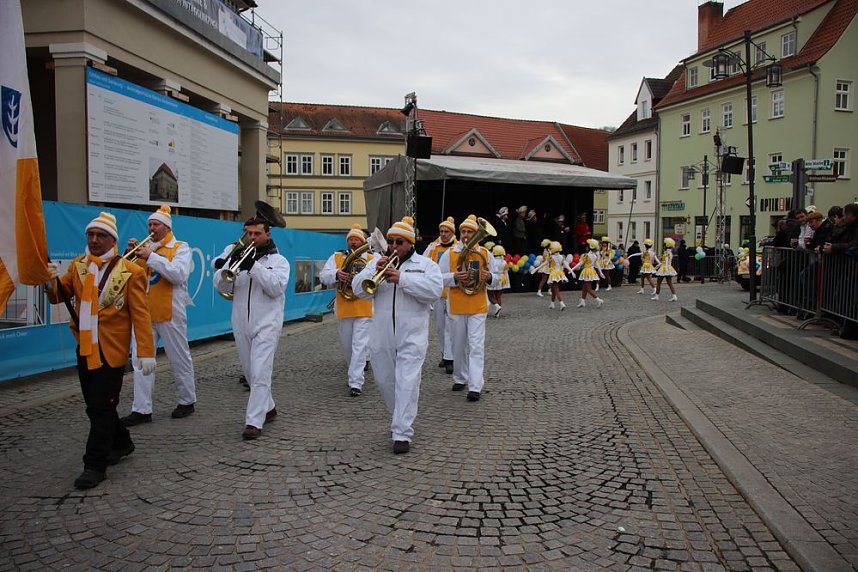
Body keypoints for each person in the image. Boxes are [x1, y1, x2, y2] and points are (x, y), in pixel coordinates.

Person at [44, 212, 155, 489]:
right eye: (90, 235)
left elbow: (140, 315)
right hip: (85, 346)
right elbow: (60, 295)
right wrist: (49, 282)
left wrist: (146, 351)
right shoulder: (78, 266)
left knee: (100, 406)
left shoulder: (132, 272)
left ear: (112, 239)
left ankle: (94, 464)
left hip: (111, 351)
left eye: (100, 235)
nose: (94, 240)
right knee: (96, 407)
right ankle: (122, 442)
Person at [353, 216, 442, 454]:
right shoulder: (377, 263)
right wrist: (372, 271)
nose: (393, 246)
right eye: (391, 241)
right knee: (384, 381)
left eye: (399, 242)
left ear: (410, 243)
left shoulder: (426, 265)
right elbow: (357, 290)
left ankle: (402, 432)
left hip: (412, 335)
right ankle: (399, 418)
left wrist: (403, 278)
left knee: (407, 382)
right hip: (381, 334)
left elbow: (434, 291)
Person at [214, 217, 290, 440]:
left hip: (267, 323)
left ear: (268, 234)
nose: (252, 238)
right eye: (249, 234)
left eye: (257, 234)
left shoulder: (279, 261)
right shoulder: (239, 254)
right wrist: (229, 266)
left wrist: (254, 267)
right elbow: (221, 285)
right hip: (240, 321)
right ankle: (269, 407)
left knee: (260, 372)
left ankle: (254, 421)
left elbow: (276, 288)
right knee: (249, 371)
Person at [121, 205, 196, 427]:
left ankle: (187, 400)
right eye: (150, 225)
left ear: (166, 227)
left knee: (179, 358)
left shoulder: (180, 248)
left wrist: (152, 257)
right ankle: (141, 409)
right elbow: (128, 276)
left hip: (170, 312)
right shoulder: (146, 248)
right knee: (141, 361)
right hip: (144, 313)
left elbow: (178, 274)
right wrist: (129, 256)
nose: (151, 229)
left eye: (156, 225)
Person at [438, 215, 499, 402]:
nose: (466, 235)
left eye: (470, 232)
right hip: (456, 305)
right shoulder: (451, 254)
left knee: (476, 346)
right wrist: (455, 277)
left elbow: (497, 278)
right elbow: (438, 277)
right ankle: (460, 377)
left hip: (478, 305)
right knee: (457, 345)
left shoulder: (485, 254)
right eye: (463, 232)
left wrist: (489, 277)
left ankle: (475, 385)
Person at [320, 224, 373, 397]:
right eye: (350, 239)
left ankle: (356, 382)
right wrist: (336, 274)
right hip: (344, 306)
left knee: (359, 345)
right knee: (347, 346)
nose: (353, 242)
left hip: (365, 307)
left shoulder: (372, 257)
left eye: (357, 239)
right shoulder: (337, 256)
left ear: (363, 241)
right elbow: (323, 276)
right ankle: (354, 372)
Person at [423, 217, 458, 374]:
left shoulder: (458, 248)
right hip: (437, 293)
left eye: (446, 231)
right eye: (441, 231)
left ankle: (451, 358)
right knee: (440, 327)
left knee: (451, 327)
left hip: (453, 293)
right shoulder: (432, 248)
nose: (443, 234)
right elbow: (423, 263)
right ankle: (445, 354)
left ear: (452, 233)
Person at [569, 238, 605, 307]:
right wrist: (600, 272)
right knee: (584, 287)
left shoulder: (586, 255)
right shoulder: (595, 256)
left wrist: (572, 269)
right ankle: (583, 301)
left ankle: (598, 300)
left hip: (587, 271)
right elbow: (597, 265)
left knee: (588, 288)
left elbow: (580, 263)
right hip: (591, 271)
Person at [543, 240, 571, 310]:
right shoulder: (561, 257)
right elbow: (566, 265)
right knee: (553, 289)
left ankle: (561, 303)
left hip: (553, 274)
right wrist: (571, 271)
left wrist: (536, 268)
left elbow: (545, 263)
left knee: (556, 289)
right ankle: (552, 304)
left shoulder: (551, 257)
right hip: (560, 273)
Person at [487, 244, 510, 317]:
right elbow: (506, 273)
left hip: (493, 278)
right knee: (499, 296)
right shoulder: (504, 262)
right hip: (501, 279)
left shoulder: (492, 261)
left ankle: (497, 306)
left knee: (490, 295)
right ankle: (498, 313)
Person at [653, 237, 678, 301]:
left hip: (664, 269)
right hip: (668, 268)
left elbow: (666, 262)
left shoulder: (666, 253)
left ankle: (657, 296)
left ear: (666, 245)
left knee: (658, 282)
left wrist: (666, 270)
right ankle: (674, 296)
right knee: (670, 283)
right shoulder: (670, 253)